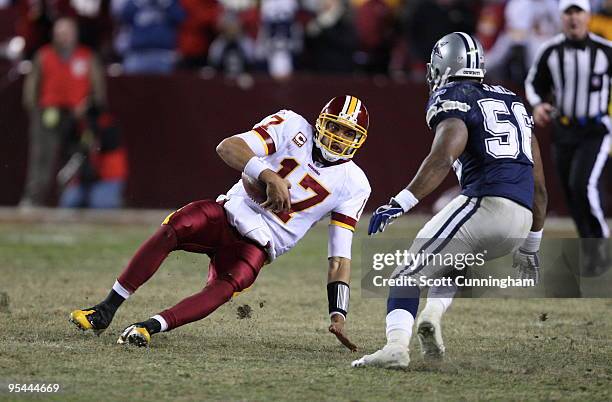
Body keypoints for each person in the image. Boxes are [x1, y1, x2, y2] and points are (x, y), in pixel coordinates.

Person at [69, 95, 371, 349]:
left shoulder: (354, 183)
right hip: (229, 213)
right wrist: (268, 176)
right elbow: (228, 147)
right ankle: (106, 309)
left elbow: (339, 257)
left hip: (260, 245)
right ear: (320, 122)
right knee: (177, 224)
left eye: (348, 133)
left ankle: (149, 327)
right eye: (334, 127)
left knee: (225, 287)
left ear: (358, 140)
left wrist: (338, 313)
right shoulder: (292, 126)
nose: (338, 137)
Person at [351, 32, 547, 369]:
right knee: (449, 266)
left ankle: (396, 346)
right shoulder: (512, 101)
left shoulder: (453, 96)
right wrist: (531, 245)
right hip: (522, 216)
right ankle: (431, 316)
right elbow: (540, 185)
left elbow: (443, 156)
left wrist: (401, 202)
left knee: (405, 275)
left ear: (443, 65)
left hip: (486, 205)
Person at [524, 0, 612, 274]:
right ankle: (589, 254)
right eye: (568, 12)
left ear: (588, 16)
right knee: (571, 191)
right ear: (561, 17)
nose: (573, 18)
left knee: (583, 184)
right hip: (563, 129)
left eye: (578, 12)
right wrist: (538, 104)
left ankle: (602, 249)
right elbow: (533, 83)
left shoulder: (606, 51)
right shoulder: (550, 50)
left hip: (595, 129)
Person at [20, 17, 106, 207]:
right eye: (59, 33)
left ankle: (70, 201)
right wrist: (35, 111)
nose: (63, 37)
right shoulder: (44, 55)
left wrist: (88, 105)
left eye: (67, 33)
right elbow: (31, 89)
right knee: (41, 159)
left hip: (77, 115)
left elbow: (98, 91)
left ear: (75, 35)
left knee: (75, 160)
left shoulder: (87, 57)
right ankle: (33, 200)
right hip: (47, 114)